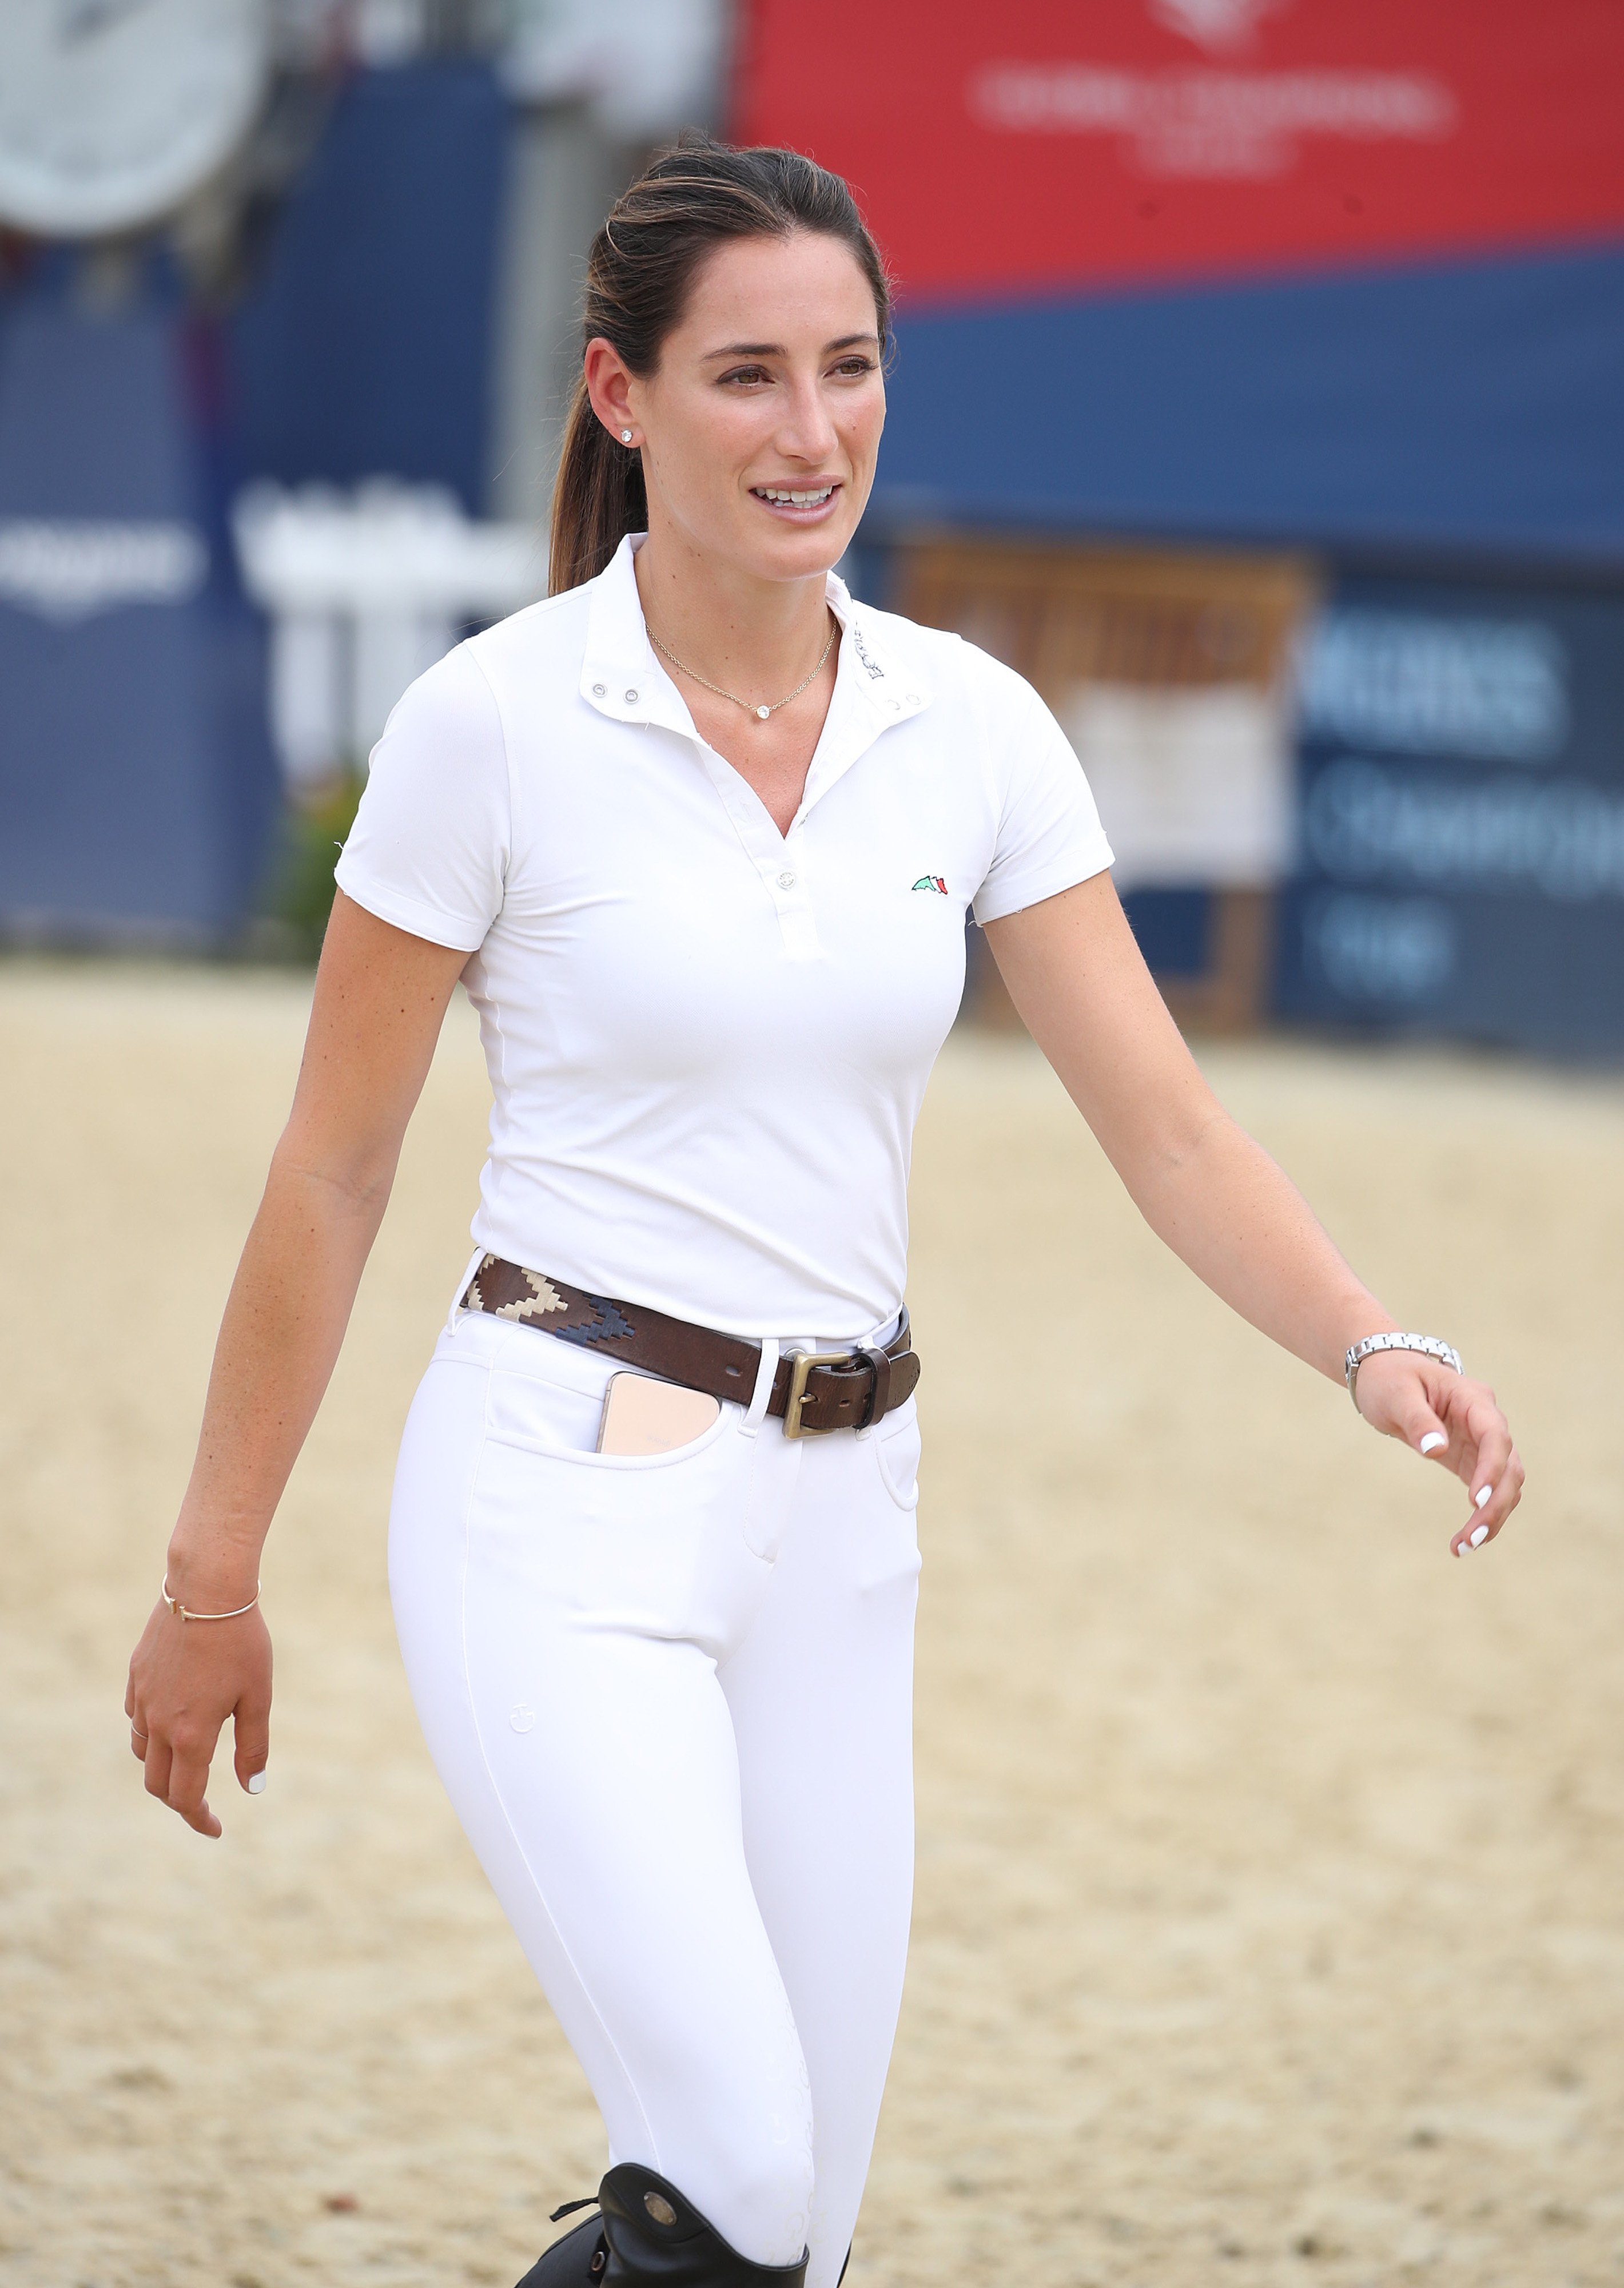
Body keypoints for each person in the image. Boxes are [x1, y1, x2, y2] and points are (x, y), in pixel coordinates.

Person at [125, 137, 1524, 2288]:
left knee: (804, 2238)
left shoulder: (968, 727)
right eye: (749, 378)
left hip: (848, 1523)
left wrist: (1370, 1335)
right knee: (742, 2184)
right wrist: (210, 1582)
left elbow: (1155, 1116)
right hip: (557, 1503)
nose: (814, 433)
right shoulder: (488, 727)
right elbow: (334, 1168)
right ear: (622, 398)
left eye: (850, 370)